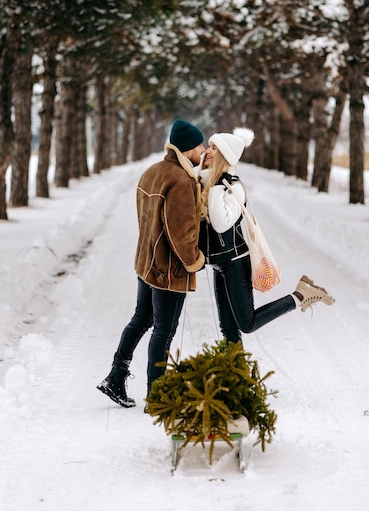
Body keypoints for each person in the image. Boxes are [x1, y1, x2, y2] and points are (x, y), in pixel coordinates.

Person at [97, 119, 206, 408]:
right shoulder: (181, 181)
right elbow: (181, 233)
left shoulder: (152, 172)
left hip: (147, 263)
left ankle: (115, 377)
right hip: (168, 269)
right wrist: (195, 261)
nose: (204, 150)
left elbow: (148, 221)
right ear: (189, 148)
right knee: (164, 330)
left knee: (141, 319)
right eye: (200, 145)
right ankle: (158, 396)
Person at [198, 127, 335, 344]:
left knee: (247, 323)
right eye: (210, 146)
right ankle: (236, 377)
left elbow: (220, 223)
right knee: (228, 328)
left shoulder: (232, 187)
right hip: (219, 263)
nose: (207, 151)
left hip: (235, 263)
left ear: (224, 156)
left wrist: (215, 183)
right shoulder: (206, 182)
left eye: (214, 148)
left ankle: (299, 296)